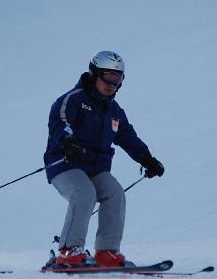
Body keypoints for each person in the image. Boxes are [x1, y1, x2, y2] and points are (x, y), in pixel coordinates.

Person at [43, 51, 164, 267]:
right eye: (108, 77)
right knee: (84, 192)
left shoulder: (113, 110)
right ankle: (69, 251)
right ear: (95, 74)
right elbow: (60, 123)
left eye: (118, 79)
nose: (112, 84)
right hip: (65, 163)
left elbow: (127, 136)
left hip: (95, 168)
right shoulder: (74, 99)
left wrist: (147, 159)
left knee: (115, 193)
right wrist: (68, 142)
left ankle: (106, 252)